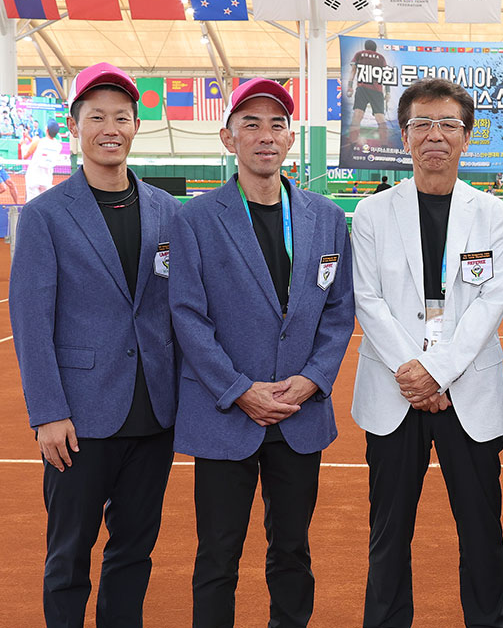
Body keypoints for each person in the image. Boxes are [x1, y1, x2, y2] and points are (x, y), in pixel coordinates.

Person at [170, 78, 355, 628]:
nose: (265, 136)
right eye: (250, 125)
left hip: (300, 411)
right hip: (226, 413)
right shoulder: (195, 219)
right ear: (228, 139)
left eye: (277, 125)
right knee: (217, 555)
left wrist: (313, 378)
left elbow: (338, 311)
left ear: (291, 139)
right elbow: (187, 316)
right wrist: (239, 390)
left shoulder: (326, 217)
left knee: (293, 550)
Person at [9, 62, 182, 627]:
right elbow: (31, 321)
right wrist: (47, 413)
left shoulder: (168, 211)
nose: (111, 128)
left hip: (153, 415)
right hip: (78, 419)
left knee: (134, 552)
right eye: (97, 117)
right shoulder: (44, 216)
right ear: (75, 126)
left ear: (136, 126)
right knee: (68, 557)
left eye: (122, 117)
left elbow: (179, 309)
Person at [351, 78, 503, 628]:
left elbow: (491, 302)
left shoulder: (493, 214)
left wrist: (438, 372)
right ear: (404, 136)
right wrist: (415, 372)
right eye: (422, 124)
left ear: (466, 136)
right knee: (388, 534)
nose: (435, 135)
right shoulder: (372, 213)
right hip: (395, 392)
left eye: (448, 124)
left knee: (482, 533)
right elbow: (367, 299)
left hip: (467, 392)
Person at [346, 38, 391, 148]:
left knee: (357, 115)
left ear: (365, 47)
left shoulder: (359, 54)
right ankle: (384, 144)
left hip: (362, 88)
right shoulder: (381, 57)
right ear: (375, 48)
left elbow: (353, 71)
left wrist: (350, 86)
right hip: (377, 90)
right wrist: (388, 92)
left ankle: (352, 142)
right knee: (380, 118)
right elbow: (386, 76)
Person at [24, 119, 66, 202]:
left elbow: (25, 156)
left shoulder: (38, 141)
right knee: (44, 204)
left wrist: (24, 143)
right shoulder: (58, 146)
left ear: (46, 130)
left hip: (33, 177)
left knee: (31, 204)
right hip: (46, 179)